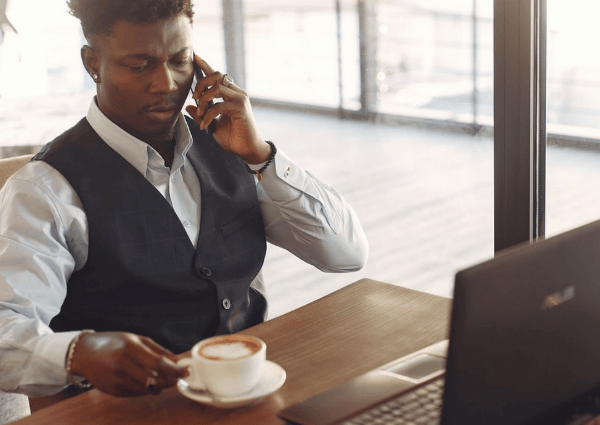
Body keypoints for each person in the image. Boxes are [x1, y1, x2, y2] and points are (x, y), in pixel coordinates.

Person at [0, 0, 368, 401]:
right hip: (128, 410)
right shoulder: (45, 190)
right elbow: (6, 327)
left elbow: (345, 254)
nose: (166, 83)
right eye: (139, 66)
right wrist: (77, 353)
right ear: (92, 63)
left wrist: (261, 156)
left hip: (252, 390)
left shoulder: (230, 148)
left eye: (180, 60)